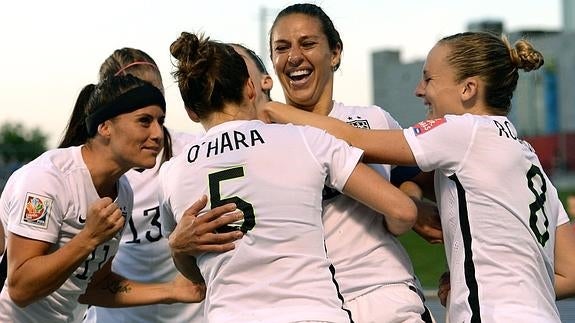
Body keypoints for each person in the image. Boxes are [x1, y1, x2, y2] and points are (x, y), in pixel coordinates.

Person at [260, 31, 575, 322]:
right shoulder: (527, 160)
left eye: (428, 79)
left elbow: (350, 138)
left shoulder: (463, 131)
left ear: (468, 89)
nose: (419, 90)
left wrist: (268, 109)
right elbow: (570, 272)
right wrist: (479, 281)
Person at [161, 31, 418, 323]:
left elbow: (196, 270)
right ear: (249, 88)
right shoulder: (306, 139)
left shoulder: (172, 172)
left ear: (191, 111)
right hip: (311, 313)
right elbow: (402, 210)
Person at [268, 3, 436, 322]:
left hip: (387, 297)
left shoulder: (372, 119)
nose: (293, 57)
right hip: (307, 308)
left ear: (335, 53)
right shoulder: (261, 137)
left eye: (307, 43)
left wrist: (409, 206)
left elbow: (416, 177)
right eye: (282, 47)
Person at [0, 74, 205, 323]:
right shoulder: (46, 180)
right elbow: (20, 289)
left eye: (160, 121)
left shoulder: (123, 190)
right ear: (105, 126)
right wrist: (89, 238)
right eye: (144, 121)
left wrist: (173, 291)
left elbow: (94, 286)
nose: (158, 134)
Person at [71, 48, 227, 323]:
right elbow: (82, 282)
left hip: (192, 312)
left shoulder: (192, 153)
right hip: (118, 314)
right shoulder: (91, 173)